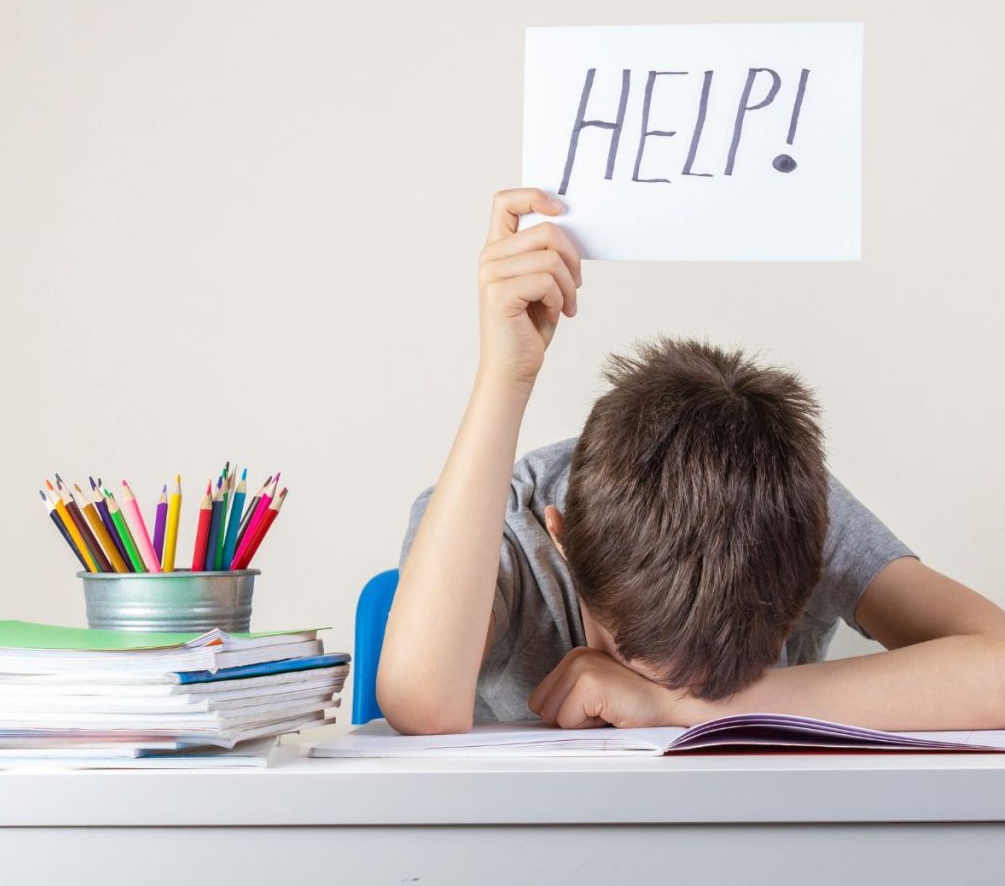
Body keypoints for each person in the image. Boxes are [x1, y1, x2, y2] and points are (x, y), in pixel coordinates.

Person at [377, 188, 1005, 734]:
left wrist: (685, 709)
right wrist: (505, 373)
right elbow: (421, 703)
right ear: (561, 537)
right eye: (647, 662)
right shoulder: (498, 522)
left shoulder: (786, 506)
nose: (690, 689)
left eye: (721, 680)